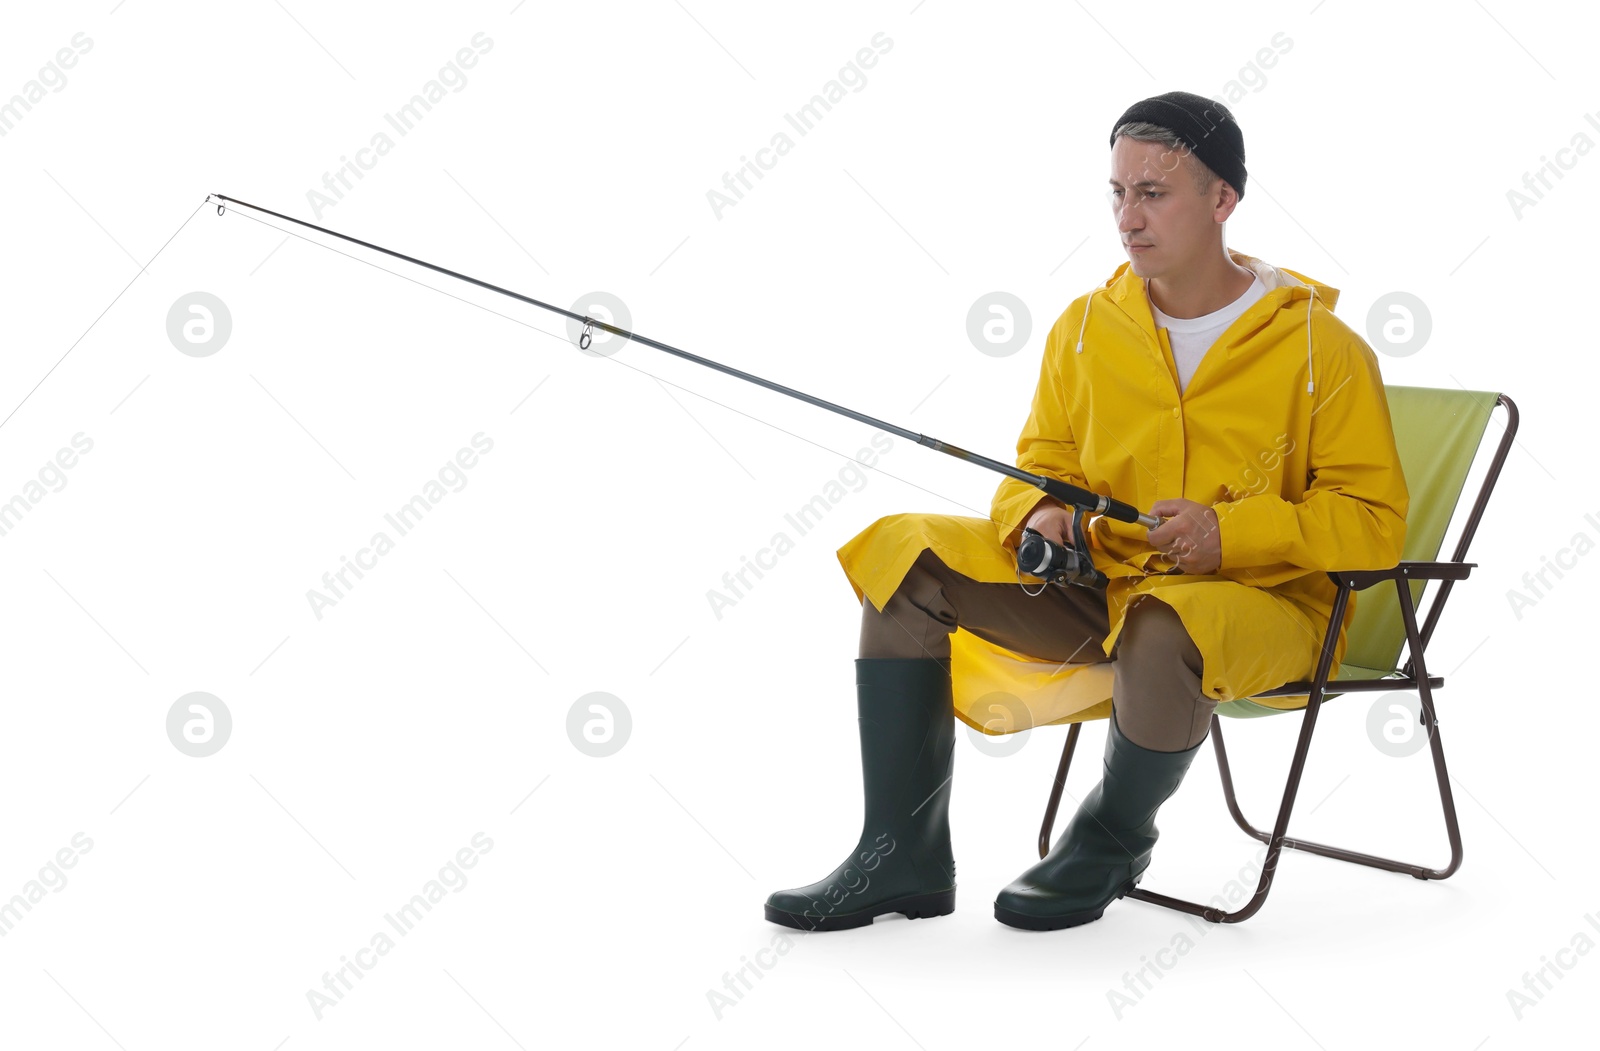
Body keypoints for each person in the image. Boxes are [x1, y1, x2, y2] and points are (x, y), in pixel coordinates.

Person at [764, 90, 1410, 932]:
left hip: (1272, 608)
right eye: (1117, 191)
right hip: (1105, 585)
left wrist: (1231, 534)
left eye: (1154, 192)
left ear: (1223, 200)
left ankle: (1110, 835)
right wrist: (1039, 515)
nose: (1127, 217)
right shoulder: (1083, 328)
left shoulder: (1325, 349)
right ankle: (901, 854)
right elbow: (1040, 465)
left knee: (1163, 615)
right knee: (904, 554)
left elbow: (1374, 522)